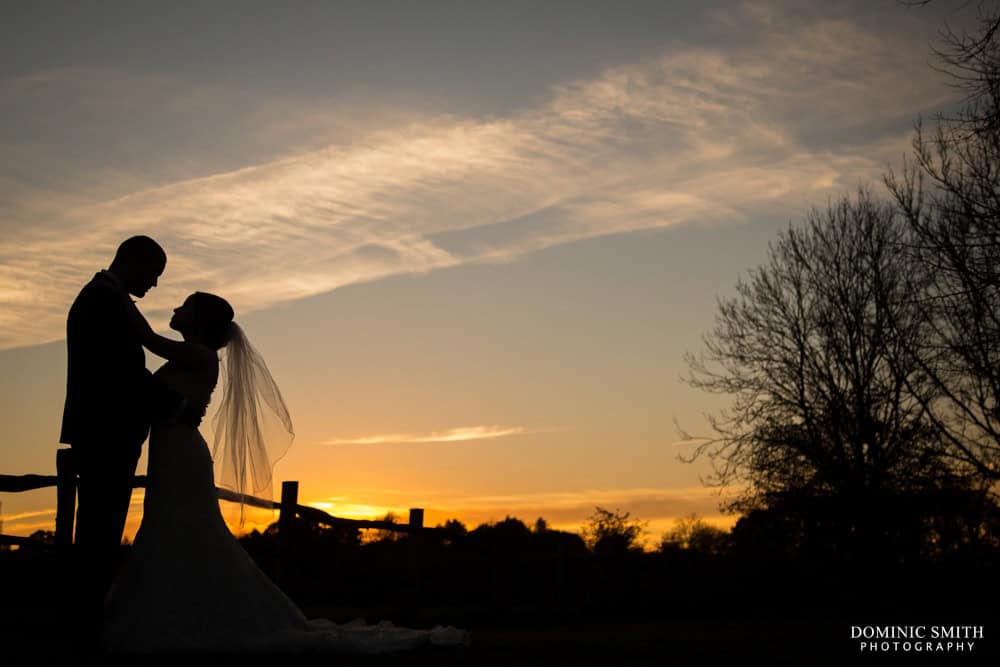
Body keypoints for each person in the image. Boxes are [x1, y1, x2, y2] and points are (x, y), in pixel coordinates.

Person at [103, 291, 469, 654]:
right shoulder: (195, 355)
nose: (175, 309)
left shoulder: (198, 355)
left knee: (183, 530)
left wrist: (116, 296)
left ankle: (181, 615)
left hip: (182, 454)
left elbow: (149, 340)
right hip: (172, 452)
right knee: (169, 528)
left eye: (184, 306)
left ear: (198, 321)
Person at [59, 235, 190, 649]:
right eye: (153, 274)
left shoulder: (106, 297)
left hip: (105, 429)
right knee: (100, 529)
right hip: (106, 430)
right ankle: (86, 627)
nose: (154, 285)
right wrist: (175, 401)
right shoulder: (103, 299)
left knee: (102, 526)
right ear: (131, 260)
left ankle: (88, 622)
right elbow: (116, 374)